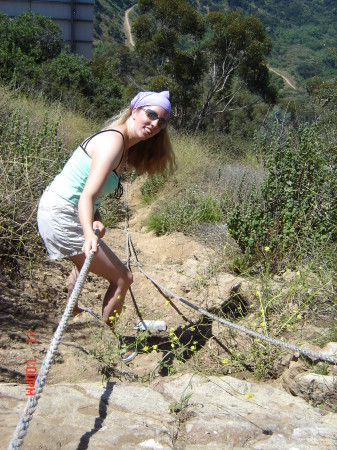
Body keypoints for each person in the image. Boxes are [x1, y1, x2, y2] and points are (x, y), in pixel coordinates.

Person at [37, 90, 175, 329]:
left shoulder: (122, 145)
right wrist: (89, 234)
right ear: (134, 110)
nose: (154, 124)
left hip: (60, 210)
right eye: (150, 114)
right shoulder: (113, 142)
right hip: (61, 214)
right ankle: (107, 340)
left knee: (84, 265)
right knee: (123, 278)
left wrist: (96, 218)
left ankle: (73, 312)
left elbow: (91, 194)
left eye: (161, 122)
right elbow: (86, 196)